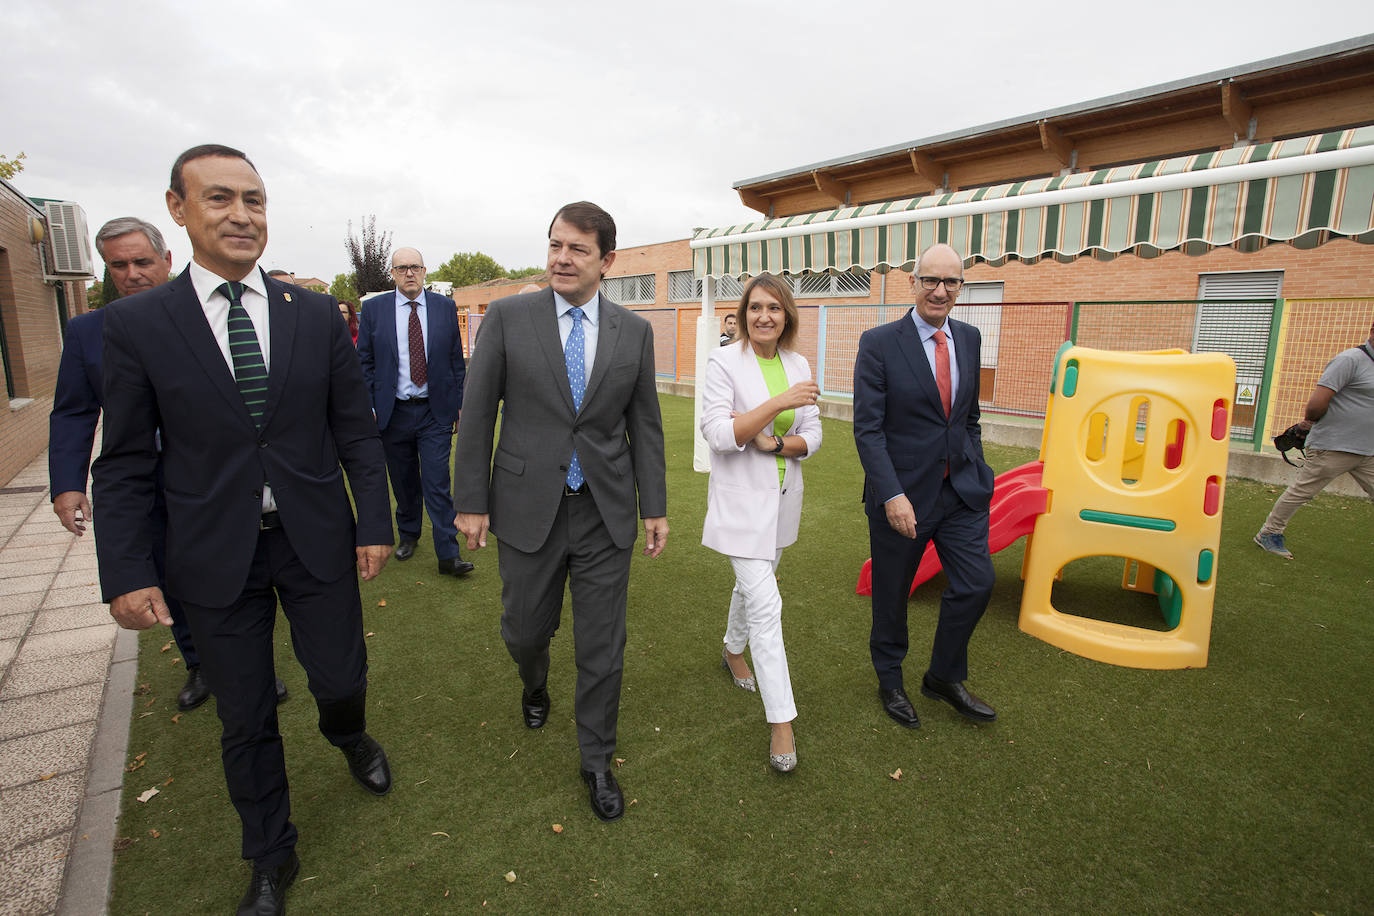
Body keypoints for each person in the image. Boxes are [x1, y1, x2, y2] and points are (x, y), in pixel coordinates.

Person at [91, 144, 395, 916]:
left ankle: (348, 733)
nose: (241, 215)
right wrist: (126, 570)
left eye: (254, 200)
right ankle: (270, 855)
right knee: (246, 713)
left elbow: (355, 431)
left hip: (315, 539)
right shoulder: (135, 325)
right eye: (221, 198)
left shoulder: (317, 314)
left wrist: (375, 523)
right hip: (214, 554)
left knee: (340, 680)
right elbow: (123, 462)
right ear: (178, 209)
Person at [453, 201, 668, 822]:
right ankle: (534, 678)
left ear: (607, 260)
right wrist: (470, 500)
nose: (561, 258)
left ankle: (596, 760)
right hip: (525, 508)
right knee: (523, 629)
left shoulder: (635, 331)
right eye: (555, 245)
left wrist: (653, 506)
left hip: (605, 511)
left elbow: (645, 427)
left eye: (576, 248)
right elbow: (478, 410)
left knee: (602, 644)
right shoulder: (508, 318)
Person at [852, 243, 997, 730]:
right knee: (892, 595)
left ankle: (942, 676)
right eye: (930, 281)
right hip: (902, 497)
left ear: (961, 287)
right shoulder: (879, 343)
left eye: (950, 282)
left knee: (977, 584)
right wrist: (892, 494)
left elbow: (969, 416)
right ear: (912, 283)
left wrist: (976, 465)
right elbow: (868, 430)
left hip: (961, 493)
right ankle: (890, 679)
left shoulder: (971, 339)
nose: (940, 291)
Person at [700, 274, 821, 772]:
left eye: (773, 307)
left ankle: (732, 650)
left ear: (786, 314)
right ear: (744, 314)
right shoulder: (723, 362)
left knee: (753, 588)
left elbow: (812, 436)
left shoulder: (798, 363)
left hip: (782, 502)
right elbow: (719, 434)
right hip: (739, 506)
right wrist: (776, 405)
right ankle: (781, 724)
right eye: (755, 308)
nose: (764, 316)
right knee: (767, 605)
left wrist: (772, 440)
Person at [357, 249, 472, 577]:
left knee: (437, 480)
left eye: (415, 267)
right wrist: (370, 404)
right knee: (404, 481)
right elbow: (363, 360)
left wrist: (460, 401)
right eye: (402, 268)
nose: (409, 273)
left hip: (434, 412)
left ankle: (448, 554)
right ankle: (408, 533)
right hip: (392, 412)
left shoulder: (444, 307)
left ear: (424, 271)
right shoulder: (374, 310)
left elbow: (454, 358)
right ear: (392, 273)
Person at [1254, 318, 1374, 558]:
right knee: (1303, 491)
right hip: (1334, 446)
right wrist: (1307, 425)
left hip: (1368, 450)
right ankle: (1269, 533)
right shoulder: (1350, 360)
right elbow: (1319, 400)